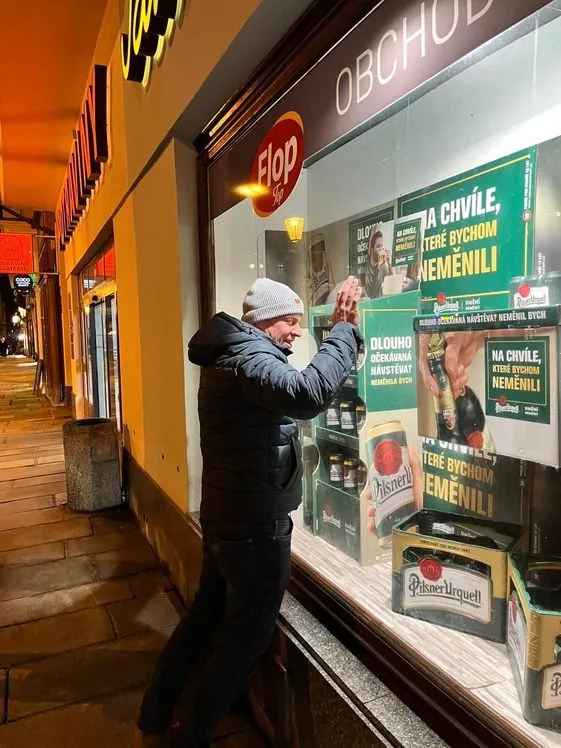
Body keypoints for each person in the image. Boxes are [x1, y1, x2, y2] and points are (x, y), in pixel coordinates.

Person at [133, 276, 363, 748]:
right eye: (290, 321)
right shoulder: (248, 357)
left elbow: (293, 392)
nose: (296, 332)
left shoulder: (235, 353)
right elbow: (307, 394)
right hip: (254, 528)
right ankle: (189, 736)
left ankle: (155, 711)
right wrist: (342, 330)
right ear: (264, 320)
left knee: (204, 618)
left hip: (229, 514)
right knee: (244, 643)